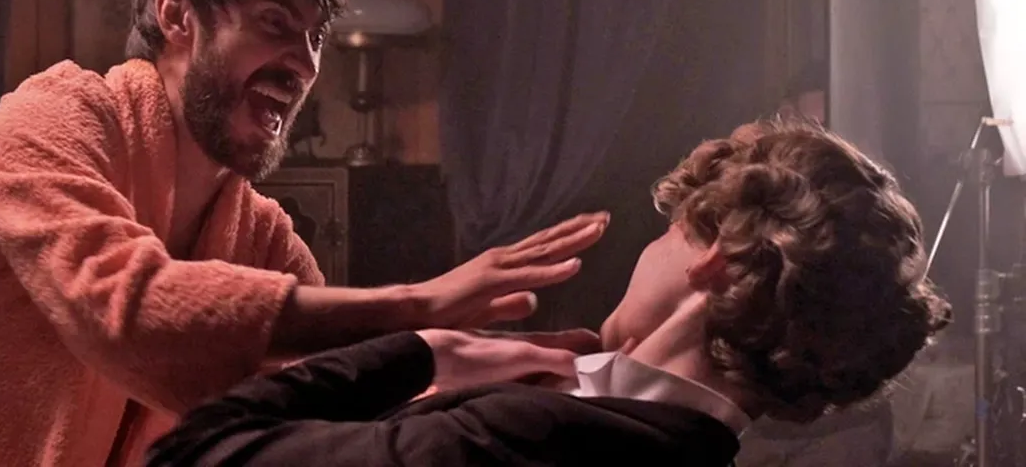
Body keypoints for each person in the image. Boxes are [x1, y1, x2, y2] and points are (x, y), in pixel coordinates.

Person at [0, 0, 608, 467]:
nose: (304, 65)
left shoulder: (257, 235)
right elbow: (127, 312)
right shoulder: (52, 121)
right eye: (275, 24)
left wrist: (499, 379)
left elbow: (331, 392)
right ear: (178, 16)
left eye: (315, 39)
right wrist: (420, 306)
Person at [146, 119, 952, 467]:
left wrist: (427, 348)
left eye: (670, 231)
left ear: (714, 265)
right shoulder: (670, 448)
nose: (649, 249)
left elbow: (193, 453)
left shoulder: (531, 438)